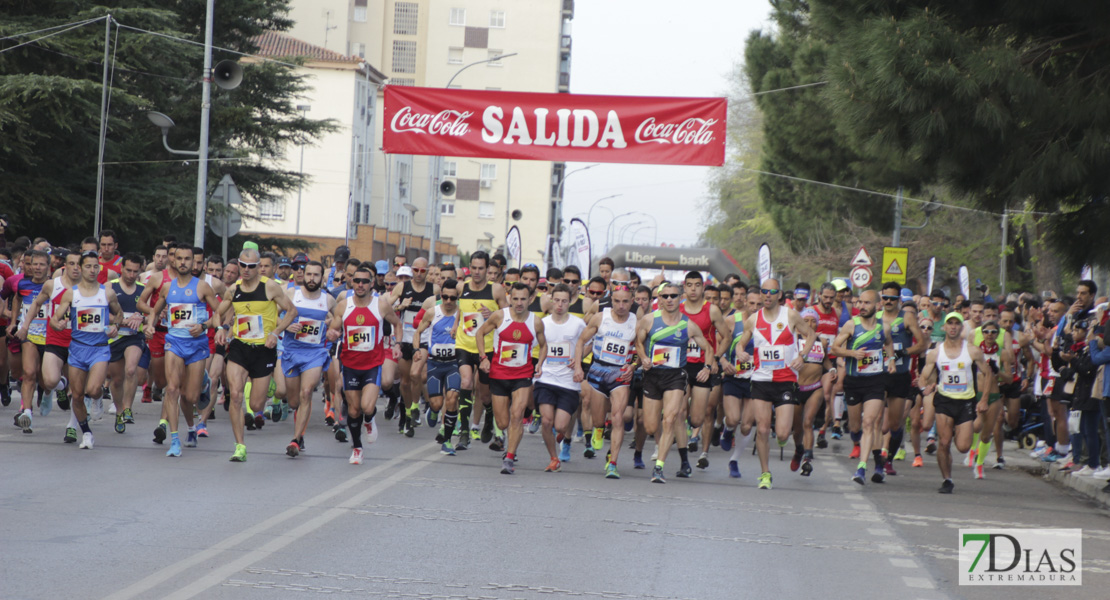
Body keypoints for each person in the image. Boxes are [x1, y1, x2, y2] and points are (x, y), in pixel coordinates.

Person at [214, 247, 298, 462]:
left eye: (252, 266)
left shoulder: (269, 287)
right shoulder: (233, 290)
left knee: (256, 406)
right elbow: (219, 312)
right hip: (241, 347)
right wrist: (220, 329)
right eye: (243, 265)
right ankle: (239, 445)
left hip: (264, 350)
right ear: (238, 264)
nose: (246, 270)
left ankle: (268, 384)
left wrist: (276, 333)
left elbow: (291, 311)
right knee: (235, 395)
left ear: (259, 267)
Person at [734, 278, 818, 490]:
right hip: (761, 379)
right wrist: (740, 352)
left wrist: (802, 355)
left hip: (785, 380)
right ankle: (765, 473)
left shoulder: (790, 315)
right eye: (765, 291)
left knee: (782, 433)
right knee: (762, 429)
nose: (768, 295)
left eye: (772, 291)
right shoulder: (753, 319)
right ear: (761, 294)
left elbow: (810, 335)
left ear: (779, 294)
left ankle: (784, 440)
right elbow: (741, 342)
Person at [636, 281, 716, 484]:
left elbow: (708, 348)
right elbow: (638, 341)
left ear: (680, 298)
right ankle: (666, 446)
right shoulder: (648, 320)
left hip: (675, 377)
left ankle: (659, 467)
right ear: (660, 300)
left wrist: (707, 368)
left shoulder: (688, 325)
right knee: (651, 426)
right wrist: (644, 357)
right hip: (653, 376)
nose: (669, 299)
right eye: (665, 296)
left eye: (673, 296)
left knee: (670, 419)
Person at [145, 244, 221, 456]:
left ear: (195, 262)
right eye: (180, 258)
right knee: (171, 389)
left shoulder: (203, 287)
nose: (184, 262)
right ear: (174, 261)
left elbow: (220, 313)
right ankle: (176, 439)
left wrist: (205, 326)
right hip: (174, 343)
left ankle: (192, 422)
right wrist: (150, 325)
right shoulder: (167, 288)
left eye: (188, 259)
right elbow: (155, 310)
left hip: (197, 346)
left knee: (190, 397)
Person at [328, 264, 402, 465]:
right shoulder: (344, 305)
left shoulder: (380, 305)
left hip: (372, 364)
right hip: (350, 364)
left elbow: (397, 323)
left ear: (371, 284)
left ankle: (369, 421)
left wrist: (397, 345)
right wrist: (332, 334)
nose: (360, 285)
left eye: (365, 281)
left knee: (367, 406)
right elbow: (333, 330)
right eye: (357, 281)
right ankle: (357, 448)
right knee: (353, 410)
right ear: (351, 282)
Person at [51, 250, 124, 449]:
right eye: (88, 266)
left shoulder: (106, 292)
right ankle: (87, 433)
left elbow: (119, 314)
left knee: (92, 389)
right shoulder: (71, 293)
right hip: (77, 349)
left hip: (99, 349)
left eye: (95, 266)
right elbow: (56, 318)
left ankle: (98, 398)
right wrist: (58, 323)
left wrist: (115, 327)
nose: (92, 270)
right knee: (77, 395)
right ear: (80, 268)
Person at [477, 282, 546, 474]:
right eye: (515, 298)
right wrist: (483, 357)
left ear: (530, 299)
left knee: (517, 416)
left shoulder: (536, 321)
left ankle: (509, 457)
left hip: (523, 375)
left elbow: (543, 345)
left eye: (523, 299)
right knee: (502, 423)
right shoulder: (500, 316)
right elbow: (480, 333)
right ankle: (501, 430)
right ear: (509, 298)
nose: (519, 303)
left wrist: (539, 363)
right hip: (499, 374)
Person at [919, 311, 992, 493]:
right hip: (944, 400)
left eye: (956, 323)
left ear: (961, 327)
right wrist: (924, 388)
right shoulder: (935, 352)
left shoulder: (972, 350)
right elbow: (923, 377)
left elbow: (988, 373)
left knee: (963, 446)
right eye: (949, 323)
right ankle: (947, 479)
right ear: (944, 327)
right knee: (944, 442)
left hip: (966, 401)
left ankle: (953, 464)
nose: (953, 326)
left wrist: (983, 400)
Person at [831, 290, 896, 485]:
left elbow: (889, 343)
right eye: (860, 303)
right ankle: (878, 460)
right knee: (855, 427)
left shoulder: (884, 327)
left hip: (875, 381)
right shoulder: (852, 325)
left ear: (877, 306)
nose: (862, 306)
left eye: (867, 303)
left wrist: (891, 359)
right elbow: (834, 348)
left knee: (870, 423)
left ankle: (862, 468)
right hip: (854, 381)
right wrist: (852, 353)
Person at [575, 284, 637, 479]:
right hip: (598, 370)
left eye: (625, 301)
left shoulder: (637, 322)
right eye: (617, 301)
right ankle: (599, 429)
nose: (621, 306)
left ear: (631, 301)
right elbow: (581, 341)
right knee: (598, 419)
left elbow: (643, 349)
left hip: (620, 374)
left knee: (618, 417)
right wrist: (577, 366)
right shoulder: (601, 318)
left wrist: (633, 366)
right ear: (611, 300)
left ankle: (613, 463)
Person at [280, 261, 338, 457]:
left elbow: (339, 320)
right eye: (309, 274)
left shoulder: (328, 300)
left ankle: (296, 439)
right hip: (291, 351)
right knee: (294, 401)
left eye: (316, 275)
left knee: (306, 392)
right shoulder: (291, 294)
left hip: (315, 353)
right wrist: (285, 326)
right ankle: (299, 424)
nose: (312, 279)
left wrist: (333, 330)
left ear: (322, 278)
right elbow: (273, 315)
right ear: (303, 275)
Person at [452, 251, 507, 449]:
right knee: (466, 382)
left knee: (484, 395)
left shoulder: (496, 290)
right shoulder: (461, 287)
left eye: (480, 268)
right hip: (464, 344)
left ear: (487, 269)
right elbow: (461, 309)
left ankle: (489, 415)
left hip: (487, 348)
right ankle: (464, 432)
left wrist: (493, 314)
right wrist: (455, 324)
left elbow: (507, 318)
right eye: (473, 268)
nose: (476, 272)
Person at [534, 283, 587, 472]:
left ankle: (563, 433)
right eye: (556, 300)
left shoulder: (578, 324)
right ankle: (553, 458)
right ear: (551, 300)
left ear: (570, 302)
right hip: (546, 379)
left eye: (564, 301)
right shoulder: (542, 323)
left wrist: (577, 359)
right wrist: (537, 365)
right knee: (547, 422)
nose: (559, 305)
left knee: (560, 425)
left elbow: (589, 342)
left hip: (568, 382)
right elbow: (534, 345)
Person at [413, 278, 462, 455]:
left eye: (453, 298)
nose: (449, 301)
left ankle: (447, 440)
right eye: (445, 297)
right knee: (437, 403)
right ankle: (432, 411)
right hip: (434, 363)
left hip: (453, 364)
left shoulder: (462, 314)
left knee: (452, 398)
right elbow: (418, 332)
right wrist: (417, 349)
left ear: (458, 298)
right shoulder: (432, 312)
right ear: (441, 296)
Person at [390, 259, 435, 433]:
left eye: (422, 271)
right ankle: (408, 413)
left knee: (416, 373)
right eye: (415, 269)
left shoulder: (434, 290)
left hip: (423, 338)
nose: (418, 273)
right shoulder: (402, 287)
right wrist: (401, 306)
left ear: (427, 272)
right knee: (405, 381)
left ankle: (415, 407)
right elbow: (387, 308)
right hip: (405, 339)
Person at [8, 250, 50, 432]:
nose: (38, 268)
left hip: (51, 338)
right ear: (29, 265)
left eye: (42, 264)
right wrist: (14, 322)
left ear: (49, 267)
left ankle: (53, 389)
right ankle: (27, 412)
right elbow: (17, 300)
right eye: (35, 264)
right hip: (30, 335)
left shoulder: (54, 286)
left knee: (47, 379)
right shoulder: (23, 284)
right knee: (29, 372)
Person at [107, 253, 147, 433]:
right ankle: (119, 411)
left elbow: (152, 312)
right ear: (121, 269)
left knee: (131, 369)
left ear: (140, 271)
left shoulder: (143, 289)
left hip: (134, 337)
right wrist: (119, 321)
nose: (131, 275)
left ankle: (128, 408)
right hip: (114, 337)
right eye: (128, 270)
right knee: (116, 380)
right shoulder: (110, 287)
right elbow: (100, 311)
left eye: (135, 271)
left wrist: (142, 317)